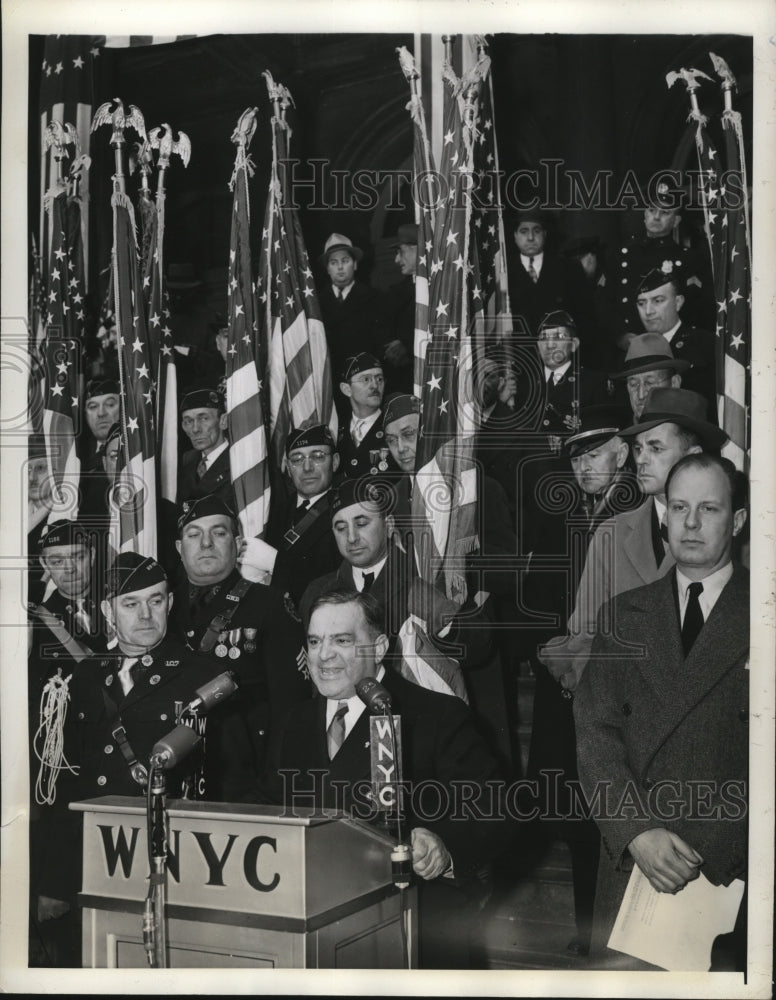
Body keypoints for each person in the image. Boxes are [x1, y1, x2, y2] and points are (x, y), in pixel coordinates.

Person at [264, 588, 513, 968]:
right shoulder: (290, 723)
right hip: (316, 934)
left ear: (379, 647)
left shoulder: (437, 714)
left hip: (417, 933)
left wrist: (443, 844)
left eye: (342, 641)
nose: (323, 655)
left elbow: (494, 806)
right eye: (314, 641)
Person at [574, 454, 749, 970]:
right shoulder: (622, 615)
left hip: (727, 874)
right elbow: (594, 735)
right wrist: (637, 831)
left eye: (709, 508)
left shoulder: (765, 611)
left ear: (736, 521)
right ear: (664, 517)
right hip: (635, 869)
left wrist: (716, 847)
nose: (691, 523)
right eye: (679, 508)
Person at [523, 405, 639, 957]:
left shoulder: (637, 511)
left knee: (609, 808)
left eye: (594, 455)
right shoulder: (576, 515)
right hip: (569, 680)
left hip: (617, 684)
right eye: (576, 461)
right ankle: (589, 928)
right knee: (578, 811)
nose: (584, 468)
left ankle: (609, 931)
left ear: (623, 452)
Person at [538, 387, 727, 692]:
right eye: (638, 448)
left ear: (692, 457)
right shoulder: (610, 534)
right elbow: (586, 631)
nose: (641, 459)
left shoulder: (729, 534)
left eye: (656, 448)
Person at [170, 495, 312, 796]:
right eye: (194, 535)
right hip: (172, 775)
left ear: (238, 544)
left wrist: (273, 787)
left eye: (218, 533)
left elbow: (291, 708)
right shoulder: (163, 609)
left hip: (243, 781)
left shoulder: (270, 605)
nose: (206, 543)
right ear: (180, 549)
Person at [239, 424, 342, 612]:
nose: (307, 467)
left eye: (318, 456)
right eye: (297, 459)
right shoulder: (272, 513)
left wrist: (276, 563)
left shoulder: (345, 511)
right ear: (287, 467)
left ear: (334, 462)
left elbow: (336, 580)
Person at [608, 180, 712, 336]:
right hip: (628, 344)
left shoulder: (689, 259)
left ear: (676, 221)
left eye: (665, 212)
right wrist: (619, 335)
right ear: (644, 214)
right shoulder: (623, 253)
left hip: (670, 345)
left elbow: (696, 309)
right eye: (651, 210)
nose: (656, 217)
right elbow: (604, 302)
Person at [633, 264, 716, 413]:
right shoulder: (633, 350)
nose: (648, 311)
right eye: (641, 303)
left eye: (658, 301)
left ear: (678, 302)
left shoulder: (705, 344)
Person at [505, 210, 591, 339]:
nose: (530, 238)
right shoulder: (504, 272)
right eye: (524, 231)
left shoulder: (569, 268)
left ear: (545, 234)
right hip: (519, 355)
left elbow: (585, 320)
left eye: (536, 231)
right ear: (515, 236)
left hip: (559, 352)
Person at [317, 233, 386, 390]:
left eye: (345, 261)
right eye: (334, 263)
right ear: (327, 268)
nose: (340, 267)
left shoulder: (374, 298)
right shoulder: (316, 302)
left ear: (355, 264)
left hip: (362, 381)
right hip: (329, 381)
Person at [336, 353, 397, 479]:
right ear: (346, 389)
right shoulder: (336, 431)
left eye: (379, 379)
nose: (375, 385)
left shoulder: (395, 427)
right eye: (366, 379)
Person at [610, 332, 691, 420]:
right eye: (633, 384)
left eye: (650, 383)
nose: (641, 395)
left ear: (674, 383)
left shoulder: (689, 432)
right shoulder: (619, 432)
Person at [177, 386, 235, 509]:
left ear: (223, 421)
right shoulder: (186, 461)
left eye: (204, 418)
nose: (195, 429)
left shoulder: (240, 462)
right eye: (188, 421)